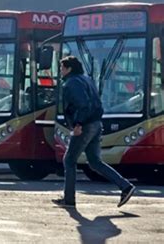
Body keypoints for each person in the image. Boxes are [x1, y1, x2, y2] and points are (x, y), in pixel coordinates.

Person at [52, 56, 136, 208]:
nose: (60, 71)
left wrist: (78, 123)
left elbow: (83, 104)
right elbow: (95, 102)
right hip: (96, 123)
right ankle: (125, 186)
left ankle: (69, 199)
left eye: (62, 67)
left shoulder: (72, 83)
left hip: (85, 125)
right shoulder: (86, 80)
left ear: (69, 68)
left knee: (69, 160)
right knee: (95, 162)